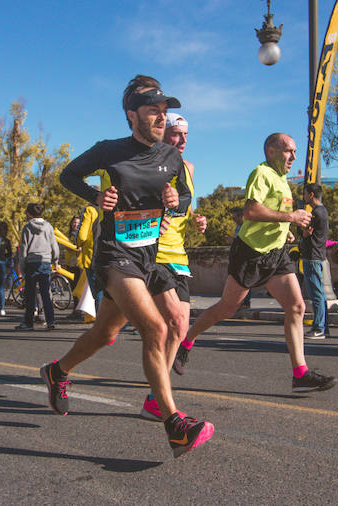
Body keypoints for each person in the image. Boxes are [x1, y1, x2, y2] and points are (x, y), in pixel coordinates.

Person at [40, 75, 213, 458]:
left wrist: (174, 199)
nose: (161, 119)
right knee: (155, 325)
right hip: (115, 254)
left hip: (149, 255)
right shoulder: (109, 150)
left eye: (165, 112)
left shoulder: (171, 156)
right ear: (132, 115)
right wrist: (95, 195)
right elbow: (68, 174)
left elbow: (183, 197)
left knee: (104, 333)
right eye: (154, 111)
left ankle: (57, 372)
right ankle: (174, 423)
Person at [175, 133, 335, 395]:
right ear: (271, 151)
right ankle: (187, 340)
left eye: (294, 152)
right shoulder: (261, 173)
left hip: (276, 254)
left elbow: (275, 214)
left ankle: (300, 374)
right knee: (227, 308)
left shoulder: (282, 180)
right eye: (288, 151)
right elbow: (251, 211)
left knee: (296, 306)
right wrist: (289, 216)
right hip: (250, 254)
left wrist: (286, 228)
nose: (293, 157)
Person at [138, 111, 208, 421]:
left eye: (186, 135)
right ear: (163, 132)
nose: (182, 140)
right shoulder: (146, 162)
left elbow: (184, 207)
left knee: (179, 326)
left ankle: (155, 397)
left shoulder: (188, 168)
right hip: (151, 253)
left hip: (178, 255)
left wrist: (197, 220)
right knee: (177, 320)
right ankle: (159, 401)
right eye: (176, 134)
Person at [15, 203, 60, 330]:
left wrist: (22, 267)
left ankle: (28, 322)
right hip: (45, 261)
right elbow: (54, 246)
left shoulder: (27, 228)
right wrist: (55, 261)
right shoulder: (48, 227)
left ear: (29, 213)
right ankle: (51, 320)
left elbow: (23, 249)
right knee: (46, 292)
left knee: (30, 293)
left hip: (31, 262)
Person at [300, 183, 330, 339]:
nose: (303, 197)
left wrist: (304, 234)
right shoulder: (322, 211)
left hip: (312, 256)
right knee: (320, 294)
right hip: (318, 255)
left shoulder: (316, 213)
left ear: (311, 195)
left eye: (305, 194)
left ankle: (319, 328)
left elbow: (306, 234)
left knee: (316, 294)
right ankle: (324, 326)